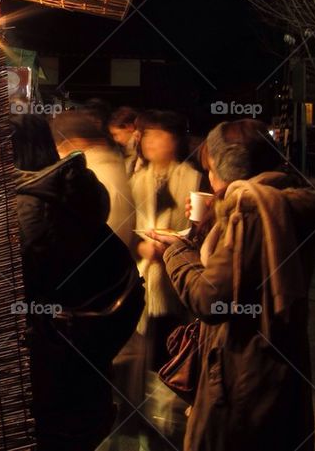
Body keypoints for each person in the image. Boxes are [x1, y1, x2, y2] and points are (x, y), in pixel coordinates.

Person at [161, 119, 315, 451]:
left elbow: (209, 297)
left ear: (225, 171)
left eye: (210, 168)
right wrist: (212, 221)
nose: (208, 177)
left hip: (243, 374)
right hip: (275, 369)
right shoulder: (282, 199)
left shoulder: (252, 213)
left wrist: (176, 251)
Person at [9, 114, 144, 451]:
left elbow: (12, 290)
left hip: (55, 384)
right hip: (84, 378)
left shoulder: (33, 209)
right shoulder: (67, 192)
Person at [124, 110, 204, 441]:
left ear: (174, 140)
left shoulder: (193, 179)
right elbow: (127, 230)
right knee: (150, 355)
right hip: (147, 282)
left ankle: (173, 426)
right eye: (147, 135)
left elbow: (200, 233)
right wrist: (140, 247)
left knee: (175, 353)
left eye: (159, 135)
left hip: (177, 286)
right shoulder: (136, 180)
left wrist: (174, 247)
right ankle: (154, 425)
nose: (151, 142)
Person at [51, 109, 138, 254]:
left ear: (74, 143)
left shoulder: (92, 177)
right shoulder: (108, 165)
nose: (59, 155)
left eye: (59, 148)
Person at [108, 107, 140, 176]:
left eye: (116, 134)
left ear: (130, 127)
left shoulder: (140, 152)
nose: (115, 139)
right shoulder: (129, 151)